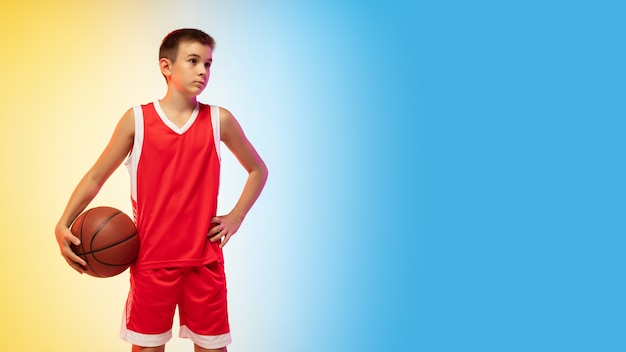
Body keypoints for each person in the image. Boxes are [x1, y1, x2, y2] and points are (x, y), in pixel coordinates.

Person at [54, 28, 268, 352]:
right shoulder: (137, 120)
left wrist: (236, 217)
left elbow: (257, 170)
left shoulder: (218, 120)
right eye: (193, 61)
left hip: (204, 262)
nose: (202, 71)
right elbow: (96, 176)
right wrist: (63, 222)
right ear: (166, 66)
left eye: (208, 64)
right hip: (152, 262)